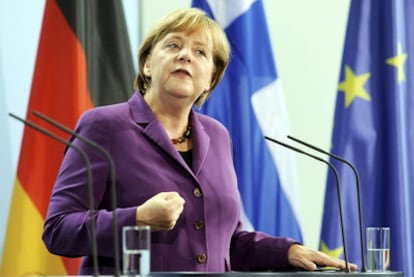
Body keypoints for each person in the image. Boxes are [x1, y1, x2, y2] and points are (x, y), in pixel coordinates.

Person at [42, 7, 357, 275]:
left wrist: (287, 251)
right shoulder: (105, 126)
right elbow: (58, 230)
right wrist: (137, 218)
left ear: (210, 78)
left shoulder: (217, 135)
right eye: (173, 45)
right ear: (147, 65)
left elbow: (225, 241)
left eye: (200, 52)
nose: (185, 56)